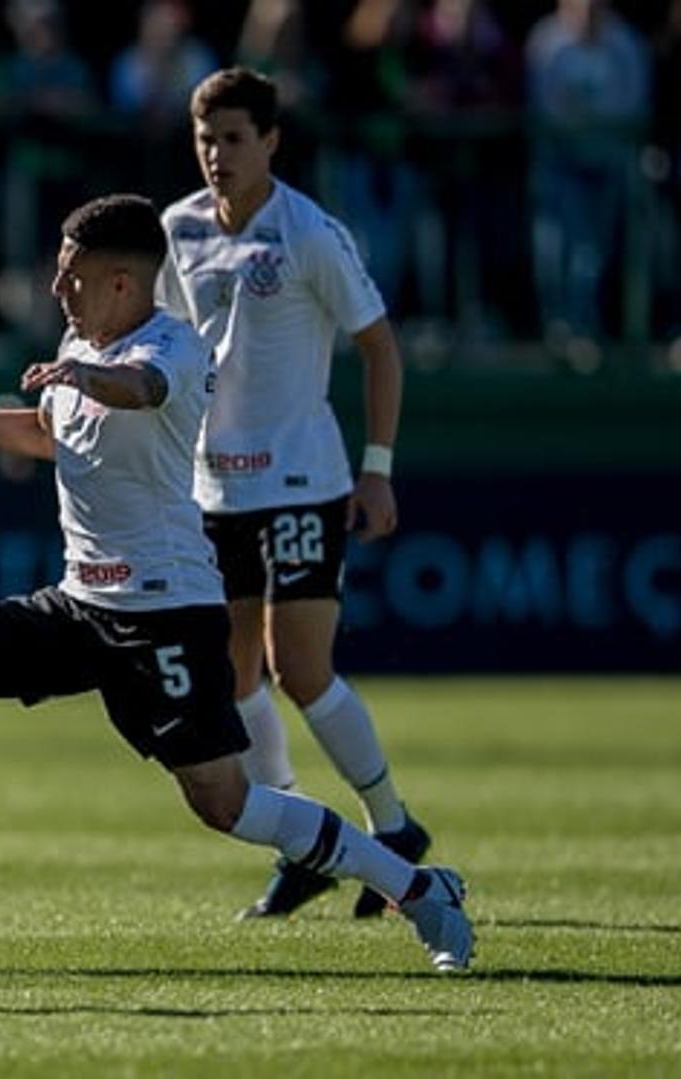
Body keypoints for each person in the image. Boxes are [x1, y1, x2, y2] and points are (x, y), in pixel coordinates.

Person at [0, 195, 474, 973]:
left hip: (166, 614)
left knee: (226, 805)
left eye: (72, 277)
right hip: (80, 603)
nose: (58, 291)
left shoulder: (177, 349)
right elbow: (47, 431)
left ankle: (417, 884)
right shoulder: (75, 346)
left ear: (124, 282)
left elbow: (140, 391)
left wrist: (86, 373)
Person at [156, 67, 429, 920]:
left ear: (271, 141)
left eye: (234, 138)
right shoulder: (178, 229)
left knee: (300, 669)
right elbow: (164, 343)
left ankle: (393, 825)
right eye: (206, 139)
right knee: (233, 671)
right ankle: (303, 840)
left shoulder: (309, 231)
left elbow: (380, 347)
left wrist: (377, 465)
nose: (217, 155)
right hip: (213, 484)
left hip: (304, 480)